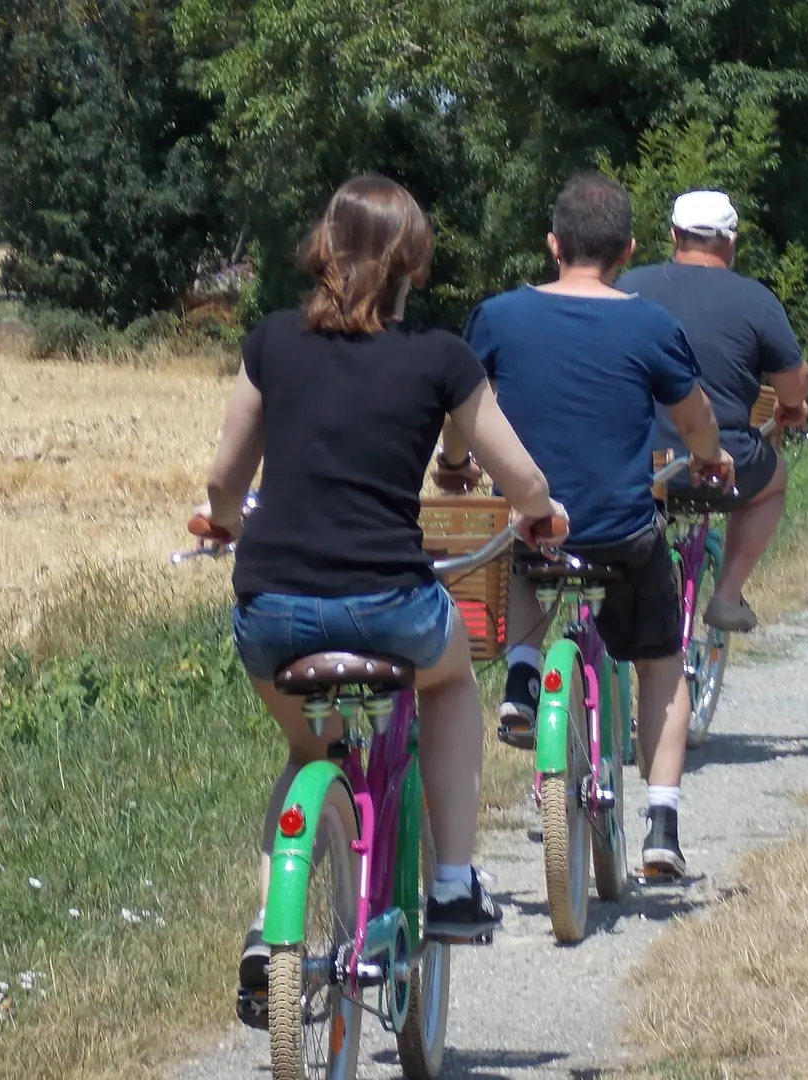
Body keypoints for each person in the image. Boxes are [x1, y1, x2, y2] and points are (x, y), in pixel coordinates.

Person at [198, 174, 569, 1007]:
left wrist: (223, 521)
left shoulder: (270, 342)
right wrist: (543, 514)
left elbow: (225, 477)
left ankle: (270, 931)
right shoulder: (441, 358)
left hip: (272, 612)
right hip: (390, 606)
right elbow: (519, 477)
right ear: (416, 265)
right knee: (451, 682)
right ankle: (449, 883)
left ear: (323, 251)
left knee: (307, 749)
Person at [446, 171, 734, 878]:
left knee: (523, 547)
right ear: (629, 247)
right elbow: (694, 419)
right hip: (624, 534)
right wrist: (712, 458)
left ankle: (521, 678)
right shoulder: (649, 324)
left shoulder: (498, 316)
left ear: (552, 243)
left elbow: (460, 410)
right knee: (662, 659)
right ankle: (661, 823)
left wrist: (454, 466)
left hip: (542, 528)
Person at [616, 190, 808, 633]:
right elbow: (793, 384)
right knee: (774, 478)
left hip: (632, 466)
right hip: (719, 465)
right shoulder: (755, 299)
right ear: (731, 240)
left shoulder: (627, 286)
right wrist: (793, 406)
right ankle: (725, 595)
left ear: (673, 235)